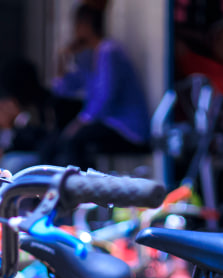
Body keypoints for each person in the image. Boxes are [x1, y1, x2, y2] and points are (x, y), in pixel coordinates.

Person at [48, 4, 150, 170]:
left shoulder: (110, 52)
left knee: (75, 140)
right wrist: (62, 58)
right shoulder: (89, 56)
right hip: (106, 123)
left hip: (126, 127)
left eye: (76, 25)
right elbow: (64, 88)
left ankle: (82, 191)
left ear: (86, 25)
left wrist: (82, 121)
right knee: (55, 143)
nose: (74, 31)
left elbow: (106, 97)